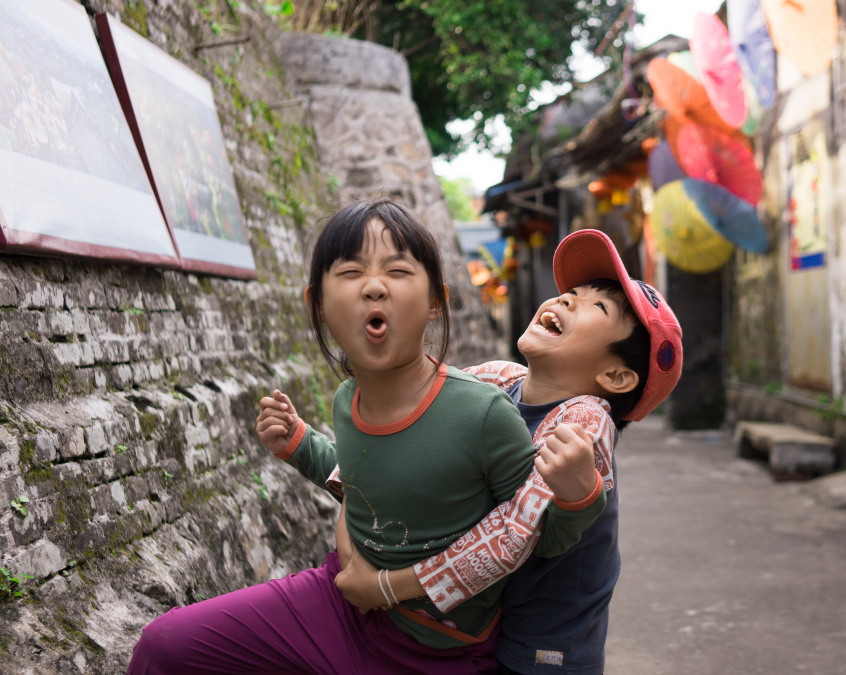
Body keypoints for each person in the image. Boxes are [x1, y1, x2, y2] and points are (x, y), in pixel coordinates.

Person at [127, 198, 597, 675]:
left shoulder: (483, 414)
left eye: (397, 271)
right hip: (338, 607)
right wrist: (298, 443)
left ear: (436, 302)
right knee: (163, 647)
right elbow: (365, 484)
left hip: (440, 651)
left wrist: (579, 494)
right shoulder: (346, 399)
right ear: (318, 304)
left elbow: (535, 535)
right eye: (351, 272)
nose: (374, 286)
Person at [324, 228, 685, 675]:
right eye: (573, 292)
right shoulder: (501, 379)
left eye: (598, 306)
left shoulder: (585, 424)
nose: (567, 299)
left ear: (615, 377)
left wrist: (386, 587)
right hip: (493, 626)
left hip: (547, 650)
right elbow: (421, 416)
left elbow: (511, 531)